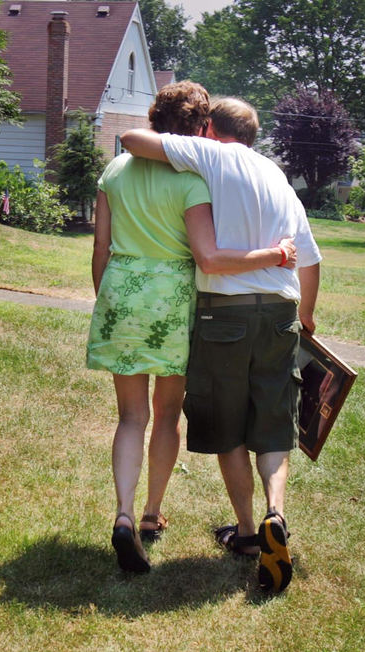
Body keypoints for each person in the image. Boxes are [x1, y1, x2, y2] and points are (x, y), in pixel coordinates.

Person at [87, 82, 297, 574]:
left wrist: (109, 299)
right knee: (166, 416)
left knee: (128, 418)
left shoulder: (114, 171)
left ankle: (121, 513)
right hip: (176, 302)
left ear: (154, 114)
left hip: (121, 292)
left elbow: (100, 248)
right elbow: (206, 252)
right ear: (201, 127)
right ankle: (151, 514)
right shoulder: (191, 179)